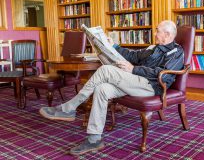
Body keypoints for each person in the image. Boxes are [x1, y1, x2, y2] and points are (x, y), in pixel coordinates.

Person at [39, 20, 184, 156]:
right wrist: (113, 46)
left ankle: (70, 108)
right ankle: (94, 139)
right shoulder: (154, 48)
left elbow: (163, 75)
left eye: (157, 31)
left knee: (105, 70)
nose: (155, 33)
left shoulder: (177, 52)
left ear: (167, 34)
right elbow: (133, 55)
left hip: (152, 86)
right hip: (136, 82)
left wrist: (133, 69)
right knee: (102, 89)